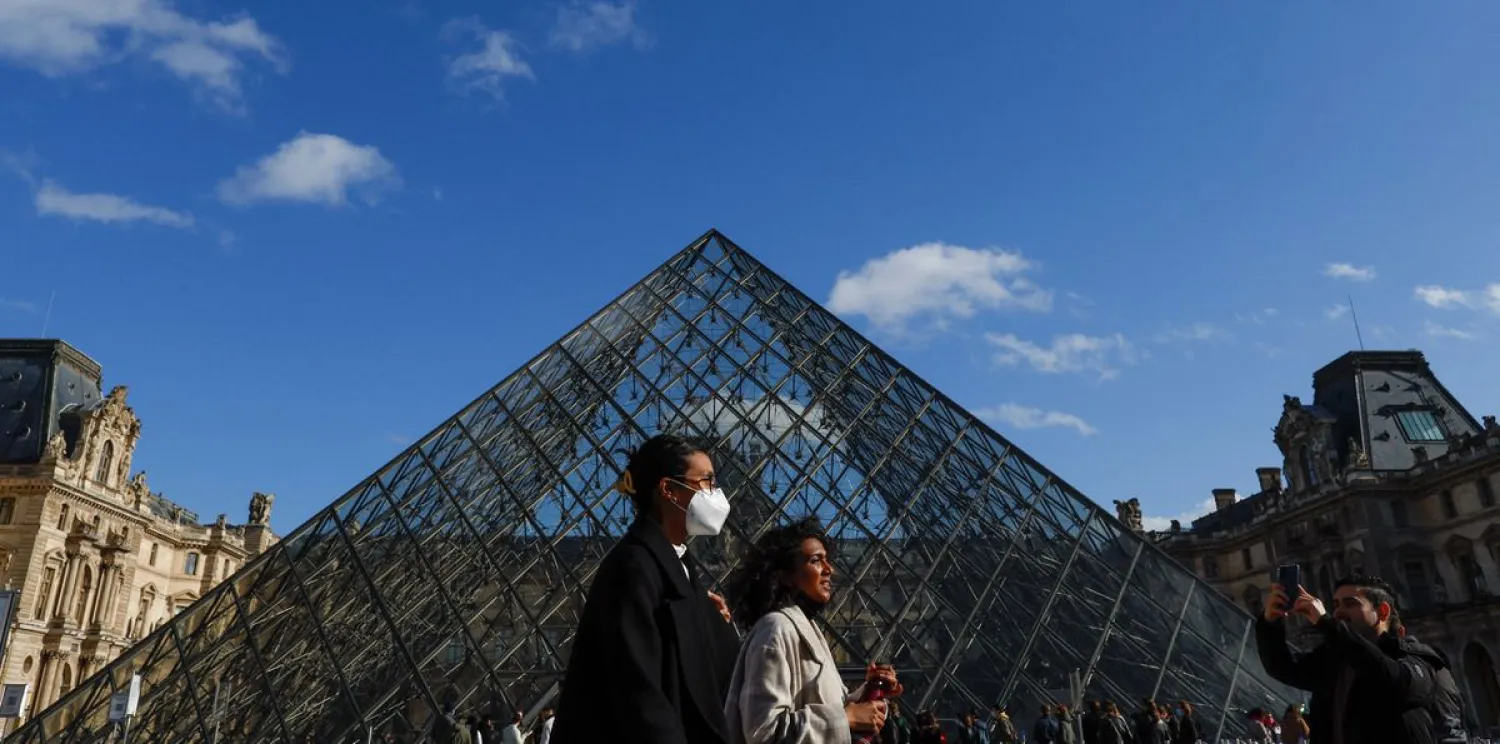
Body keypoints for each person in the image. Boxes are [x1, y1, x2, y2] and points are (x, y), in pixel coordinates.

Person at [552, 434, 740, 744]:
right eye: (706, 481)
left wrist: (709, 620)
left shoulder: (672, 565)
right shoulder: (633, 567)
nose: (715, 493)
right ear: (669, 490)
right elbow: (639, 691)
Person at [723, 516, 899, 744]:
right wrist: (845, 719)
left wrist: (871, 691)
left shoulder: (807, 628)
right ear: (785, 576)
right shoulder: (776, 628)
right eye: (816, 560)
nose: (830, 569)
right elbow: (763, 731)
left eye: (827, 560)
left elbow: (831, 706)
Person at [1256, 573, 1462, 744]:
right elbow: (1283, 668)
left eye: (1350, 604)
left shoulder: (1415, 657)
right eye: (1335, 604)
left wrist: (1328, 624)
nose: (1337, 612)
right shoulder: (1334, 659)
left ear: (1382, 612)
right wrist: (1270, 622)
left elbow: (1387, 676)